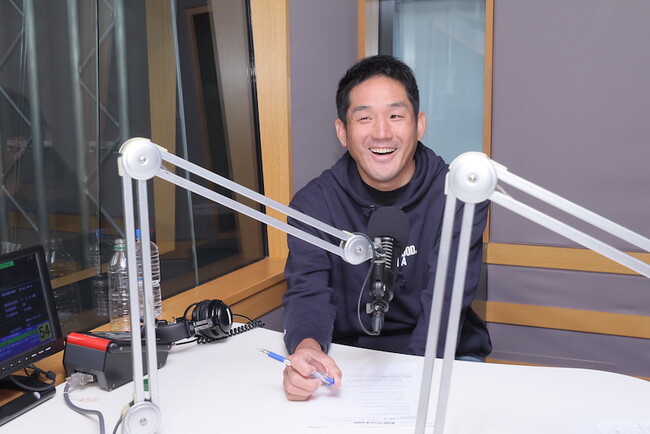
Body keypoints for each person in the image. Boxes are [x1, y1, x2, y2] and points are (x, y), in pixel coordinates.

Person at [281, 55, 491, 401]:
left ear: (419, 125)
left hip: (443, 354)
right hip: (353, 358)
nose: (381, 132)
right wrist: (308, 350)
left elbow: (445, 303)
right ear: (342, 132)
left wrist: (408, 389)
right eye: (364, 118)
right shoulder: (314, 203)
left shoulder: (457, 194)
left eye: (395, 116)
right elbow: (308, 293)